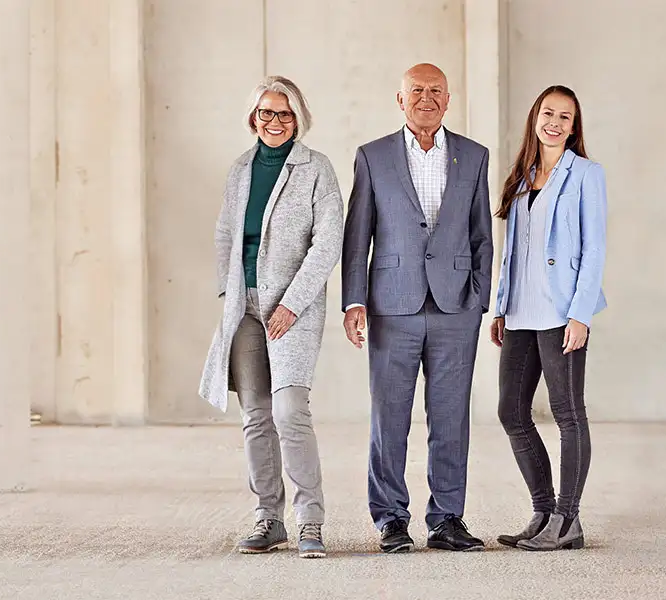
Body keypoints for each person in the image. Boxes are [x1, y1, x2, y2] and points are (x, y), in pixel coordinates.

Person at [341, 63, 493, 553]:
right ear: (400, 99)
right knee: (389, 418)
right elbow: (357, 235)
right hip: (392, 305)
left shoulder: (474, 156)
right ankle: (390, 519)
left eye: (436, 91)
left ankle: (447, 519)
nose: (426, 98)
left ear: (448, 100)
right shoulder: (373, 156)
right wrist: (354, 300)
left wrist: (479, 299)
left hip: (456, 308)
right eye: (417, 91)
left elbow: (482, 235)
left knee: (451, 418)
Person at [198, 75, 344, 559]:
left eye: (284, 113)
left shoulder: (316, 168)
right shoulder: (240, 169)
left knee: (289, 411)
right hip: (243, 306)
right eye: (266, 112)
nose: (275, 121)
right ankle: (269, 518)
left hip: (291, 308)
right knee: (256, 414)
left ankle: (310, 522)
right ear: (253, 117)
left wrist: (291, 304)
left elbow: (328, 242)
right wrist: (229, 291)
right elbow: (225, 233)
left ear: (297, 119)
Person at [490, 85, 608, 551]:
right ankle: (543, 512)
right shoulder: (522, 175)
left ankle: (568, 518)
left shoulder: (586, 174)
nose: (554, 123)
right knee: (511, 411)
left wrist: (580, 314)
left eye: (565, 117)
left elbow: (594, 248)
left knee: (567, 413)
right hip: (521, 311)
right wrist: (501, 306)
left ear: (574, 127)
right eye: (548, 113)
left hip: (561, 312)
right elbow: (512, 251)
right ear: (535, 117)